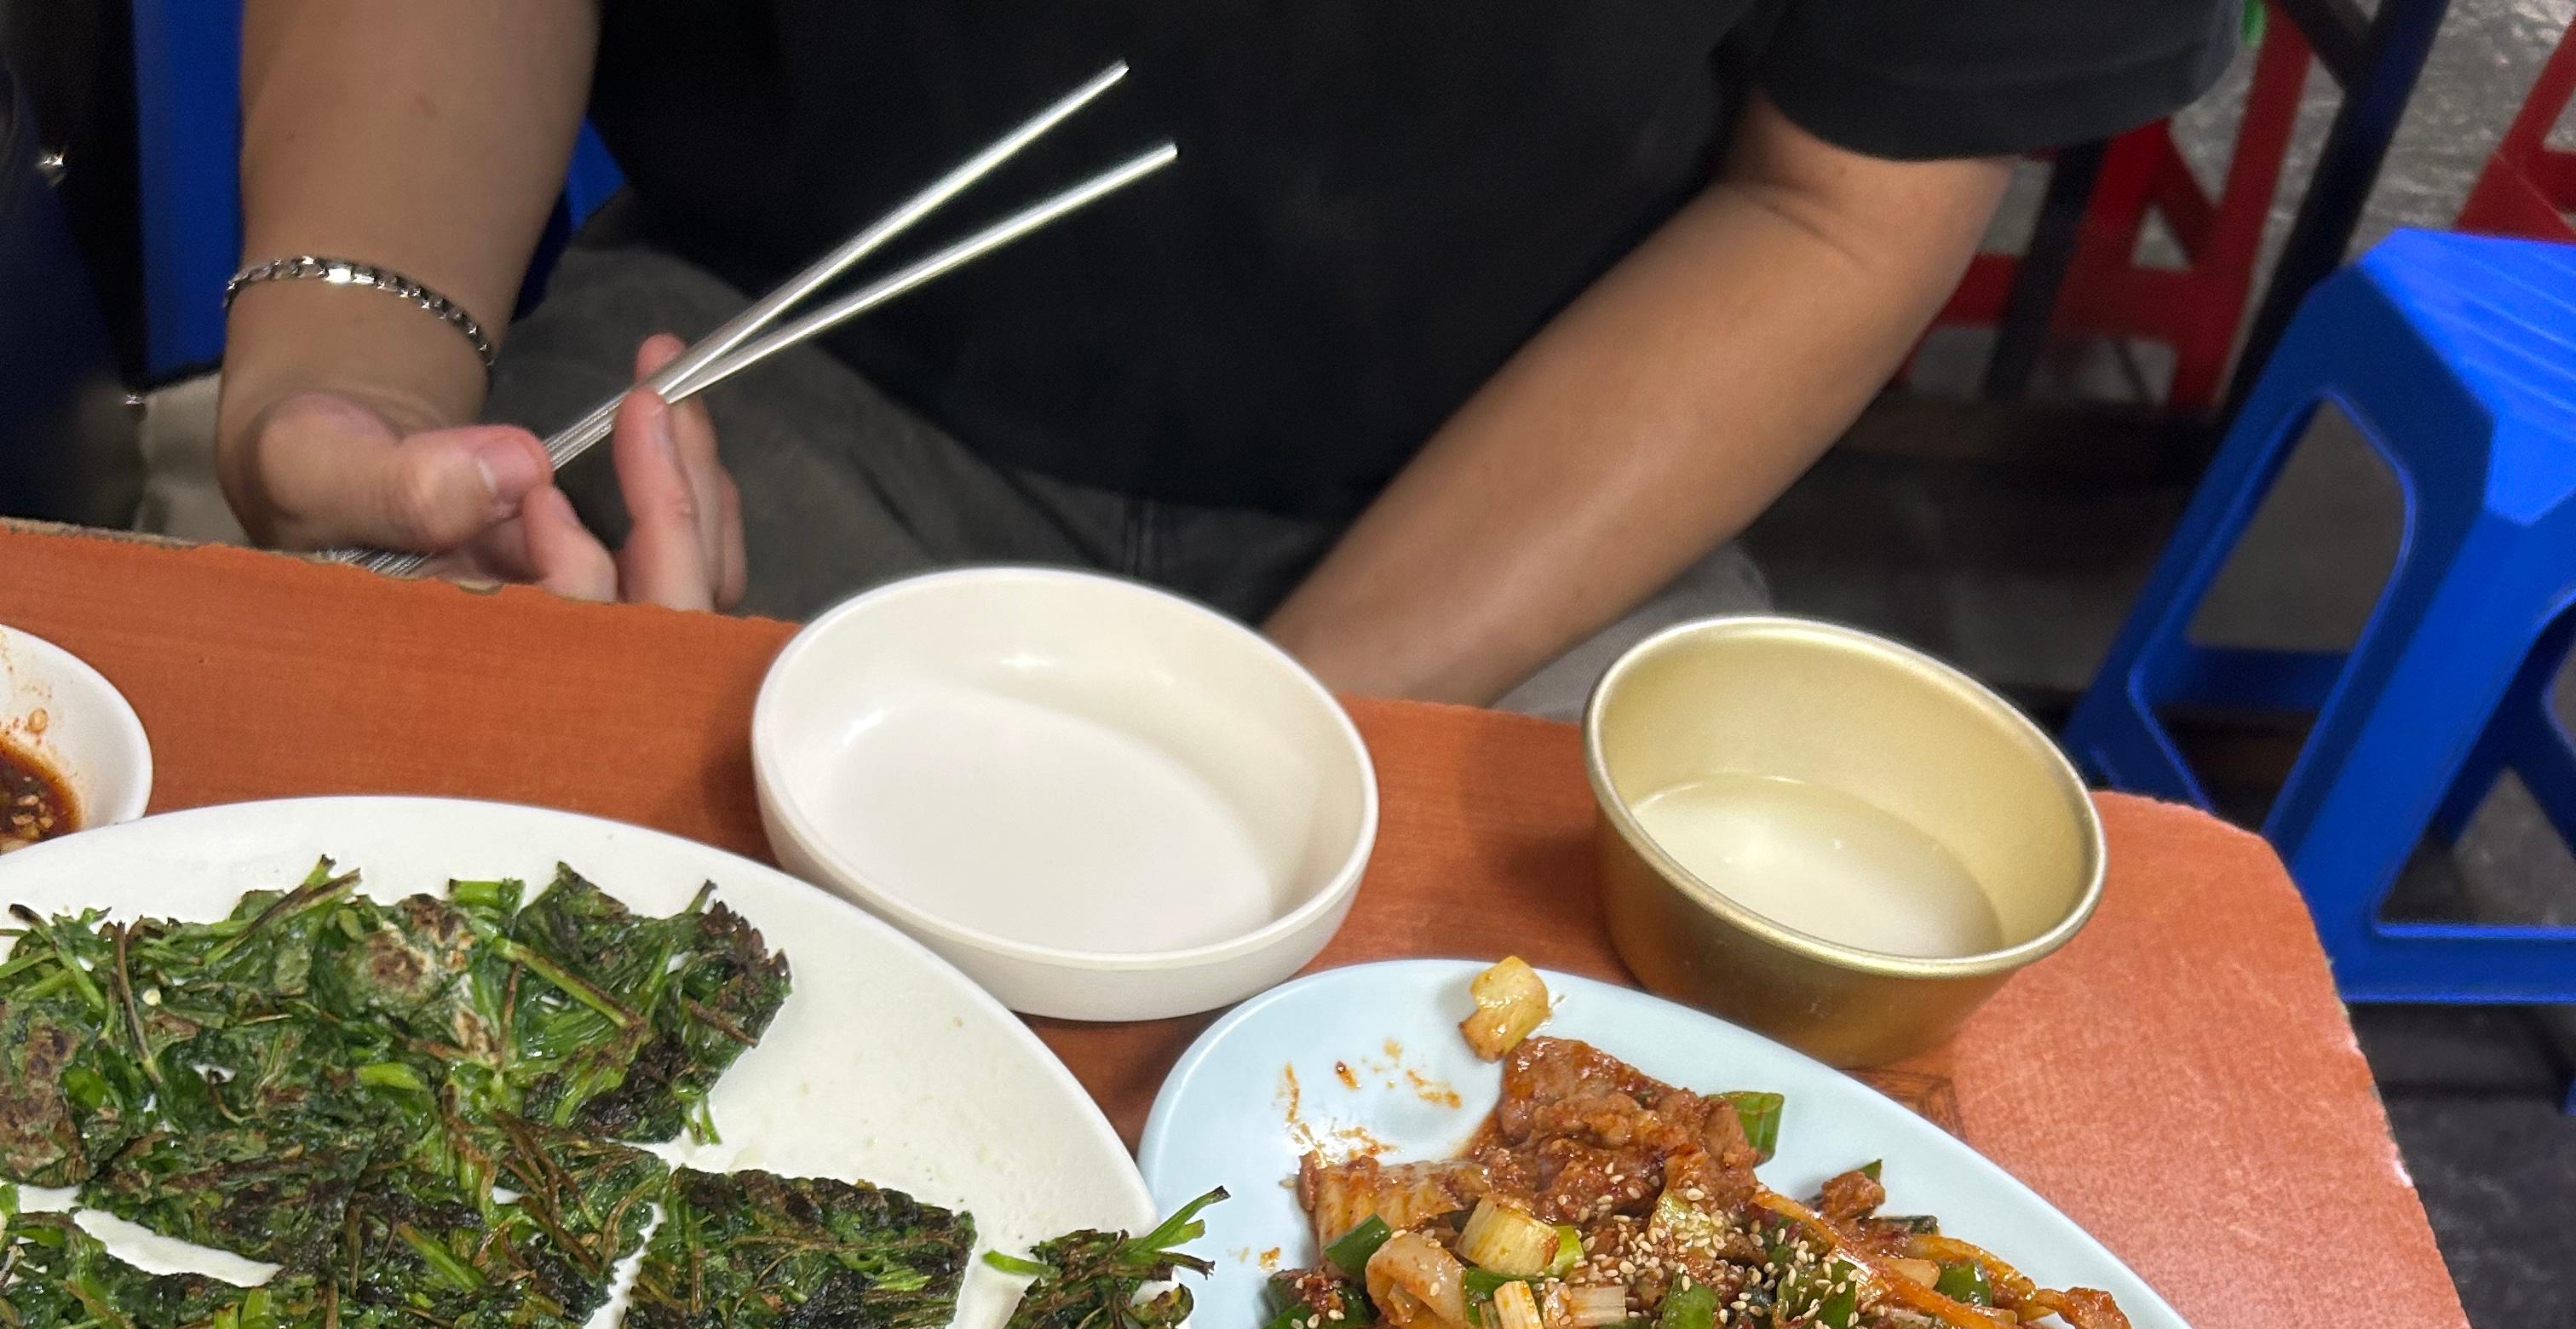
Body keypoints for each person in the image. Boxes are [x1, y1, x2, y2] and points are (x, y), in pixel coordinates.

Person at [216, 2, 2236, 706]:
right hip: (768, 366)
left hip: (1523, 483)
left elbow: (1842, 200)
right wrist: (363, 371)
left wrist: (1259, 728)